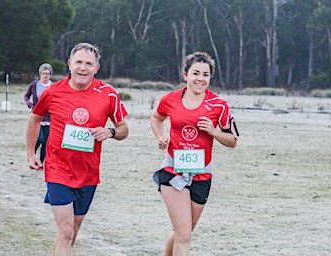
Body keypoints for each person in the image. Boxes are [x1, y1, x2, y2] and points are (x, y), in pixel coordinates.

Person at [26, 42, 129, 255]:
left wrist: (109, 132)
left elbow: (123, 129)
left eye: (89, 64)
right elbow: (35, 119)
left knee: (72, 231)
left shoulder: (107, 93)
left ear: (96, 68)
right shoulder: (53, 91)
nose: (83, 68)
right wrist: (30, 153)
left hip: (88, 173)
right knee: (65, 231)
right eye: (79, 62)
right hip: (57, 169)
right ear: (70, 64)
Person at [150, 51, 239, 255]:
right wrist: (160, 137)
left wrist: (213, 131)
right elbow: (156, 117)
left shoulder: (219, 105)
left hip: (202, 174)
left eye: (205, 75)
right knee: (184, 234)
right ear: (185, 74)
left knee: (185, 231)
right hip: (173, 171)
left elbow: (232, 141)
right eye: (196, 73)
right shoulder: (170, 100)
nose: (200, 79)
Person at [23, 63, 54, 165]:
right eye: (43, 73)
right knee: (39, 139)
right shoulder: (34, 84)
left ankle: (40, 162)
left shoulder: (53, 86)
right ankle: (32, 155)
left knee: (46, 142)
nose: (45, 75)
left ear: (50, 75)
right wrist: (28, 103)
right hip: (37, 116)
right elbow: (26, 96)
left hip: (49, 118)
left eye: (47, 73)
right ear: (40, 74)